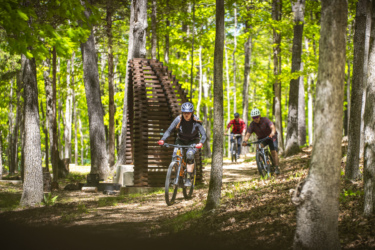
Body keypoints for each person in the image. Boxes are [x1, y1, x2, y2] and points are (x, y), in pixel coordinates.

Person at [158, 102, 206, 187]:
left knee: (190, 155)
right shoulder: (178, 119)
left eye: (188, 113)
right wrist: (162, 139)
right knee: (175, 156)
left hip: (193, 141)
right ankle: (178, 177)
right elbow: (169, 131)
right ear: (182, 112)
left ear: (192, 112)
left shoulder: (196, 121)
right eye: (184, 112)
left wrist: (201, 143)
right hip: (180, 140)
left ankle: (188, 179)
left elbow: (204, 135)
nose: (186, 114)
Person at [242, 108, 280, 175]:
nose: (256, 118)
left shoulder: (265, 120)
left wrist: (272, 133)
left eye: (257, 117)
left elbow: (272, 127)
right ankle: (261, 165)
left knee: (273, 152)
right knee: (258, 147)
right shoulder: (252, 124)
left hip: (271, 137)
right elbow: (248, 134)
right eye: (254, 117)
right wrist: (245, 141)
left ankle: (277, 167)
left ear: (259, 116)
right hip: (262, 139)